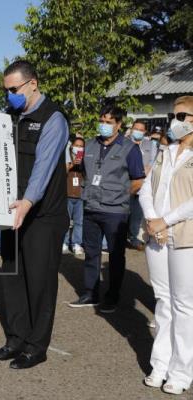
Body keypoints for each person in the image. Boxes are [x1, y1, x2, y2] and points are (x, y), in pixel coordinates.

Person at [0, 60, 69, 370]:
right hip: (13, 212)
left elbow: (43, 170)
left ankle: (36, 346)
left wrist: (28, 202)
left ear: (32, 84)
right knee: (13, 279)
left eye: (14, 90)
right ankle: (16, 339)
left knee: (40, 282)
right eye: (6, 90)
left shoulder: (53, 119)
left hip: (42, 216)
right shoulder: (10, 118)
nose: (10, 96)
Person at [139, 96, 193, 395]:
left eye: (182, 115)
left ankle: (182, 371)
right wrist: (151, 219)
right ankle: (160, 363)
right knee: (163, 301)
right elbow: (148, 188)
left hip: (185, 236)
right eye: (174, 115)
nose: (175, 120)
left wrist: (166, 221)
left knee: (185, 305)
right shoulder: (166, 151)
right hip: (156, 235)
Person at [69, 105, 145, 312]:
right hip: (91, 208)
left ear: (119, 125)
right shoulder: (91, 145)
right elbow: (85, 172)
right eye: (102, 121)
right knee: (91, 253)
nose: (103, 125)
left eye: (109, 122)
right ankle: (90, 293)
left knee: (115, 255)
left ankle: (112, 296)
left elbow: (138, 180)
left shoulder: (130, 148)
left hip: (116, 212)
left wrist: (121, 195)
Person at [127, 120, 156, 251]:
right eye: (136, 128)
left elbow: (153, 163)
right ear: (132, 129)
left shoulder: (150, 145)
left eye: (141, 129)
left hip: (142, 185)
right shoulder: (124, 143)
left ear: (144, 132)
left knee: (136, 214)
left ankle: (133, 238)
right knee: (122, 213)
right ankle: (120, 238)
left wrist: (145, 170)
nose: (138, 131)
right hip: (126, 183)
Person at [63, 137, 86, 255]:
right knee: (66, 221)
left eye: (81, 146)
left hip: (80, 196)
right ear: (72, 147)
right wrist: (72, 164)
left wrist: (82, 164)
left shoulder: (85, 159)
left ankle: (76, 243)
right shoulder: (67, 157)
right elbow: (63, 172)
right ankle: (64, 243)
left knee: (79, 222)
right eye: (76, 145)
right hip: (67, 194)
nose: (78, 148)